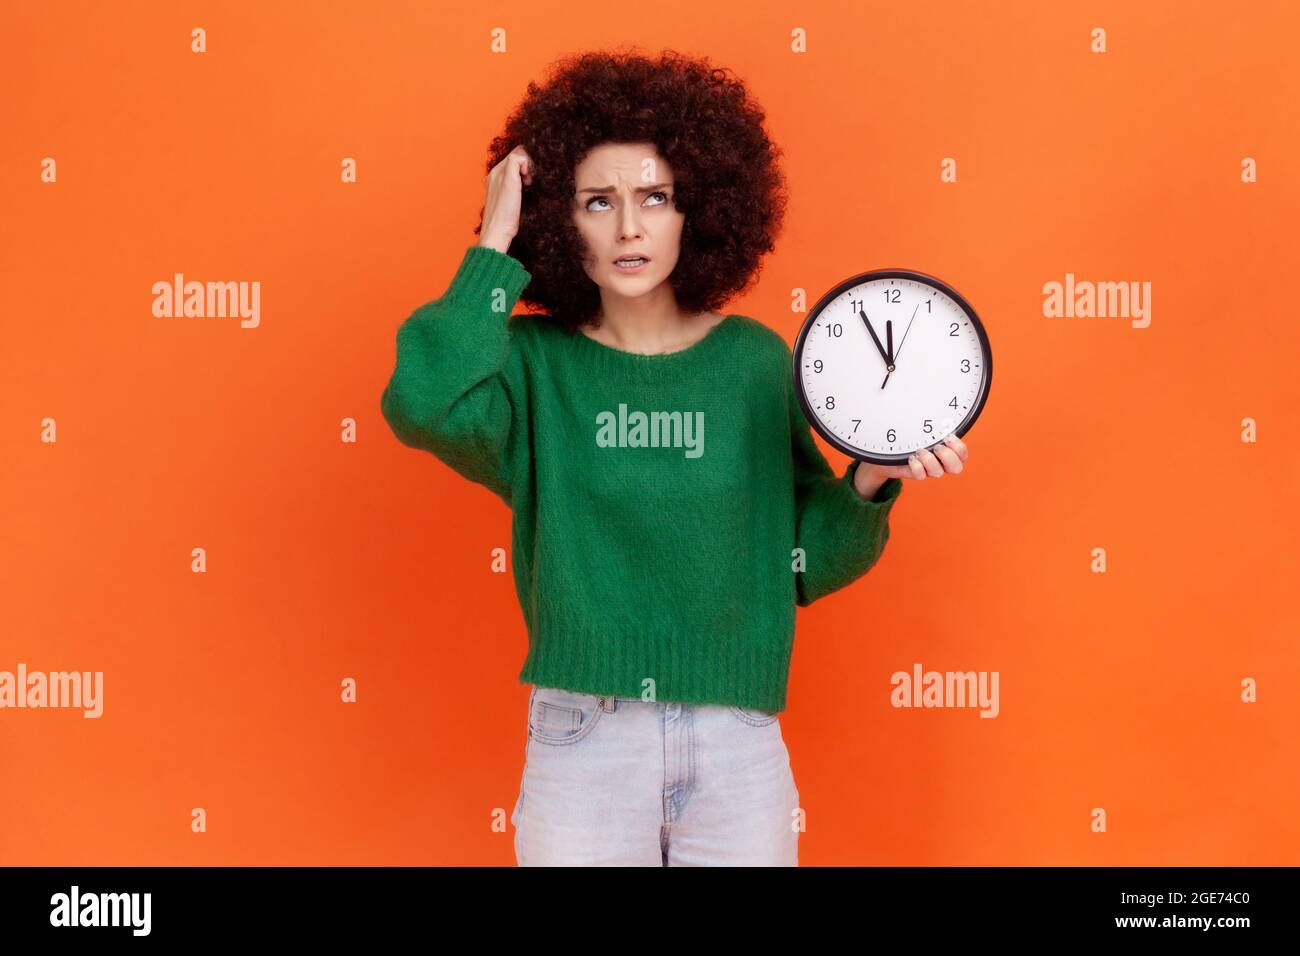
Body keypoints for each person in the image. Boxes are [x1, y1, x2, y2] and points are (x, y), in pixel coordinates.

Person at [380, 49, 969, 866]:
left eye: (655, 197)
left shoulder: (758, 364)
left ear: (697, 211)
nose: (629, 228)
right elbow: (422, 403)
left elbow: (798, 563)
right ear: (562, 218)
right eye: (597, 201)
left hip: (737, 741)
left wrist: (871, 479)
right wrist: (495, 239)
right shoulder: (530, 365)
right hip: (583, 736)